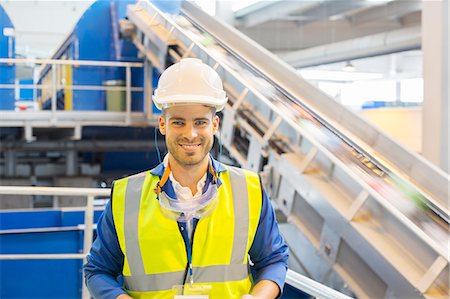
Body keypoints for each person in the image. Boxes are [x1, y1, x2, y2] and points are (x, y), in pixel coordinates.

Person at [84, 58, 289, 299]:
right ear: (163, 124)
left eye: (200, 122)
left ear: (214, 124)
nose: (190, 134)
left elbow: (274, 261)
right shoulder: (127, 196)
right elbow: (97, 270)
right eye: (178, 122)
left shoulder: (248, 189)